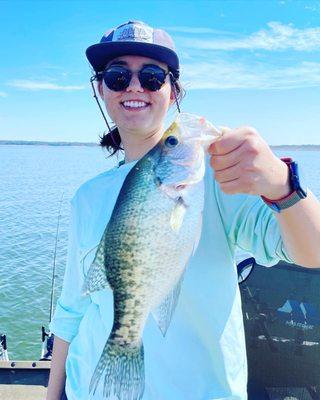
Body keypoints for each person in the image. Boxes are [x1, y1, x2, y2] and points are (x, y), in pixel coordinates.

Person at [46, 20, 320, 400]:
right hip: (88, 387)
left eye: (153, 76)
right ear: (101, 89)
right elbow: (73, 307)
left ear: (173, 90)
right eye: (118, 75)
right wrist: (53, 393)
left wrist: (282, 185)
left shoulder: (220, 178)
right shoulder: (87, 196)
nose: (135, 86)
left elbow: (313, 253)